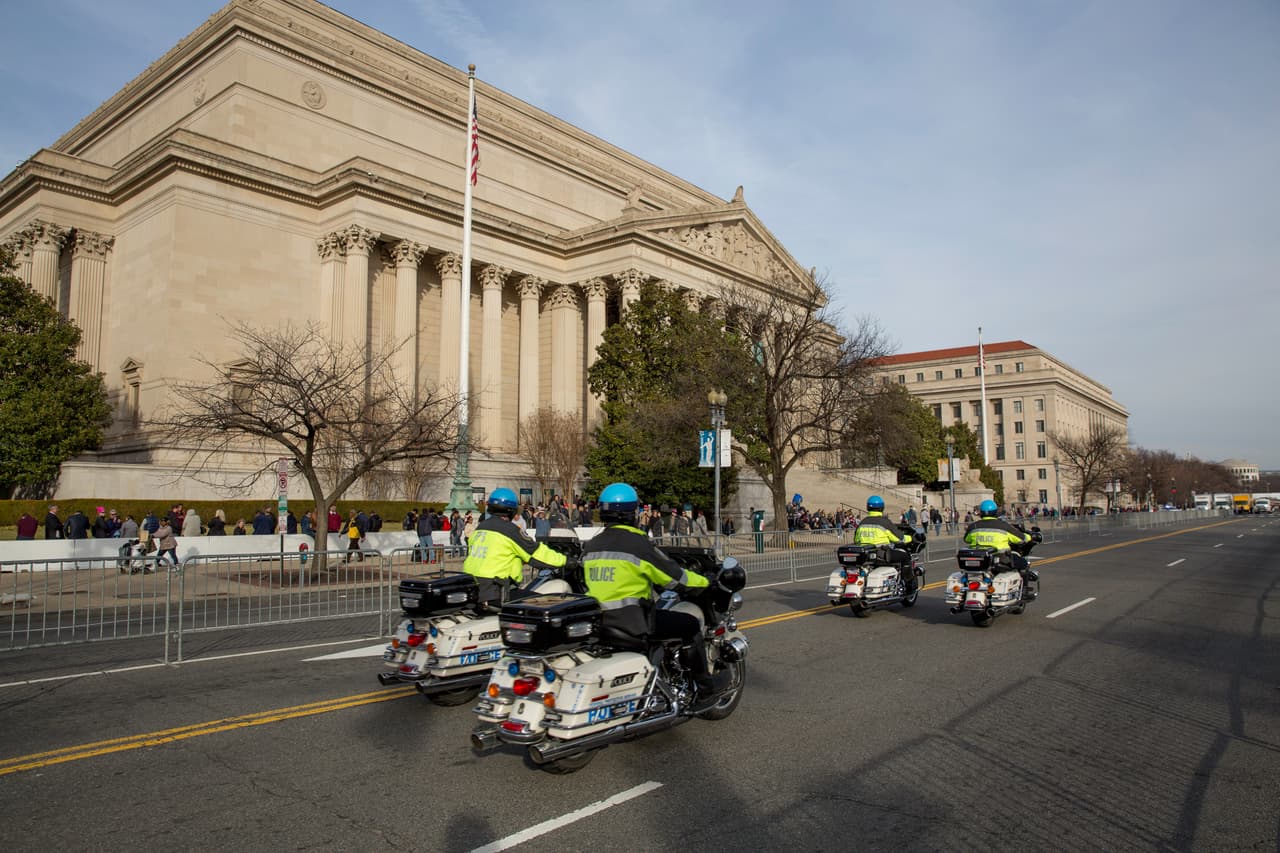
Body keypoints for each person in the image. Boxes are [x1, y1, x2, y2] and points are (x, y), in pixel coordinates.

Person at [582, 482, 726, 701]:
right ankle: (704, 688)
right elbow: (676, 577)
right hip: (634, 622)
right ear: (633, 512)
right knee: (689, 625)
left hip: (598, 622)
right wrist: (706, 581)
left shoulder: (592, 545)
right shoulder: (638, 544)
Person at [462, 487, 567, 606]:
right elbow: (536, 553)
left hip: (474, 590)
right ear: (512, 510)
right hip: (497, 592)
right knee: (546, 605)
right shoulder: (510, 531)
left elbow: (493, 556)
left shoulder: (480, 529)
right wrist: (565, 560)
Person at [964, 500, 1038, 598]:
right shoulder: (1003, 526)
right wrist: (1029, 537)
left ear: (981, 513)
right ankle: (1023, 592)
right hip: (1001, 559)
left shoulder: (974, 526)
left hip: (978, 560)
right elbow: (1020, 538)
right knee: (1023, 564)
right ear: (995, 512)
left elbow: (966, 539)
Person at [852, 495, 916, 593]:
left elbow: (856, 539)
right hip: (881, 554)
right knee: (905, 556)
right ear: (882, 508)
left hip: (865, 556)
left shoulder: (862, 523)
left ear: (868, 507)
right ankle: (908, 584)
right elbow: (899, 538)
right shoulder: (884, 522)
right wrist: (911, 538)